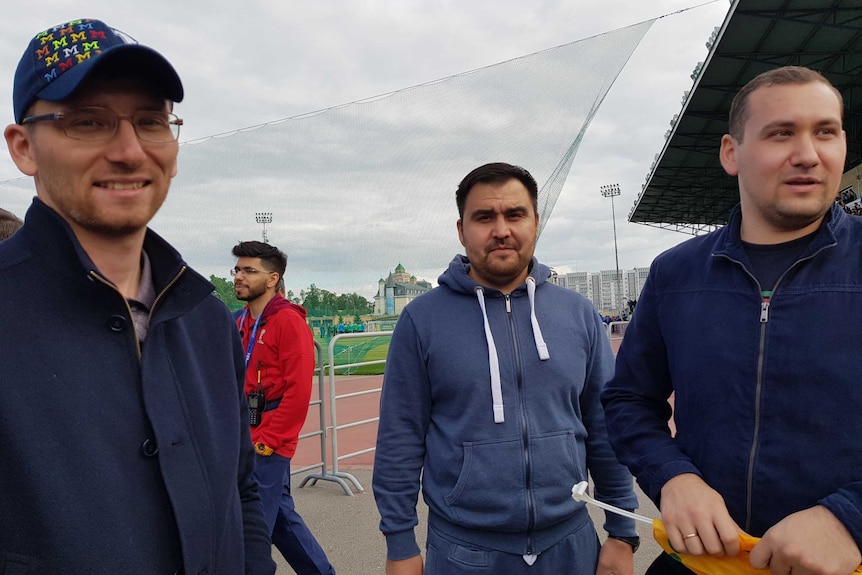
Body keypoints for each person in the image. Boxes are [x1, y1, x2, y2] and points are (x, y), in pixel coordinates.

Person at [0, 18, 274, 574]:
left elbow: (240, 491)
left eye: (151, 121)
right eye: (88, 121)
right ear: (23, 147)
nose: (129, 151)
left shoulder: (206, 317)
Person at [601, 66, 862, 575]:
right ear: (731, 153)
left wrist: (850, 518)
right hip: (702, 564)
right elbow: (630, 401)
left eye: (825, 131)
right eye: (781, 133)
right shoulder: (675, 274)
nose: (808, 153)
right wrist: (673, 477)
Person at [373, 162, 639, 575]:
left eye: (515, 215)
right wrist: (399, 543)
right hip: (464, 552)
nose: (501, 229)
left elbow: (607, 428)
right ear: (462, 230)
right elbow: (400, 437)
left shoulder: (579, 315)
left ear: (535, 222)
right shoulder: (422, 320)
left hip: (570, 544)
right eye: (484, 217)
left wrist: (622, 532)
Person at [231, 241, 336, 575]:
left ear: (273, 279)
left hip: (268, 437)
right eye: (237, 269)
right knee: (279, 521)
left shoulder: (287, 321)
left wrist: (272, 439)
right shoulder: (242, 322)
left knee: (252, 530)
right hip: (245, 432)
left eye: (249, 271)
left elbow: (298, 390)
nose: (239, 277)